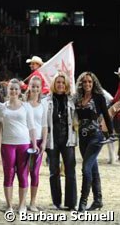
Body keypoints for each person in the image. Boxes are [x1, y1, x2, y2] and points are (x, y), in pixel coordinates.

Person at [0, 79, 38, 214]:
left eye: (16, 89)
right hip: (7, 145)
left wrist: (34, 144)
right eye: (11, 89)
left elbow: (32, 127)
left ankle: (22, 205)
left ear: (20, 91)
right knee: (8, 174)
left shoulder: (26, 107)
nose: (14, 91)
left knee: (23, 175)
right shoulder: (2, 107)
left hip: (23, 144)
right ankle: (9, 206)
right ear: (7, 90)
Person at [74, 72, 116, 212]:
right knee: (93, 169)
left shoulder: (98, 97)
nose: (87, 84)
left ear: (93, 83)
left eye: (90, 82)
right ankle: (98, 200)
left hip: (96, 137)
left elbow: (105, 114)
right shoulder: (77, 98)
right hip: (82, 138)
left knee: (86, 169)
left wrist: (111, 133)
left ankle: (82, 202)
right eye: (85, 82)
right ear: (81, 83)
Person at [45, 72, 77, 211]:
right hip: (52, 140)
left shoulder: (71, 100)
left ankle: (71, 203)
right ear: (54, 84)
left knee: (70, 171)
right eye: (58, 82)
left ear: (67, 85)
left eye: (63, 83)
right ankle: (57, 202)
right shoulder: (47, 100)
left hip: (68, 139)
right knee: (54, 172)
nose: (60, 85)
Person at [24, 76, 48, 212]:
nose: (35, 88)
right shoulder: (24, 104)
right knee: (23, 172)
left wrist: (44, 142)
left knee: (35, 172)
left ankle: (32, 202)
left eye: (37, 86)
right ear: (29, 87)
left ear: (40, 89)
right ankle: (23, 200)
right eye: (33, 86)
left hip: (38, 142)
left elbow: (44, 125)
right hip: (24, 141)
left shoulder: (43, 105)